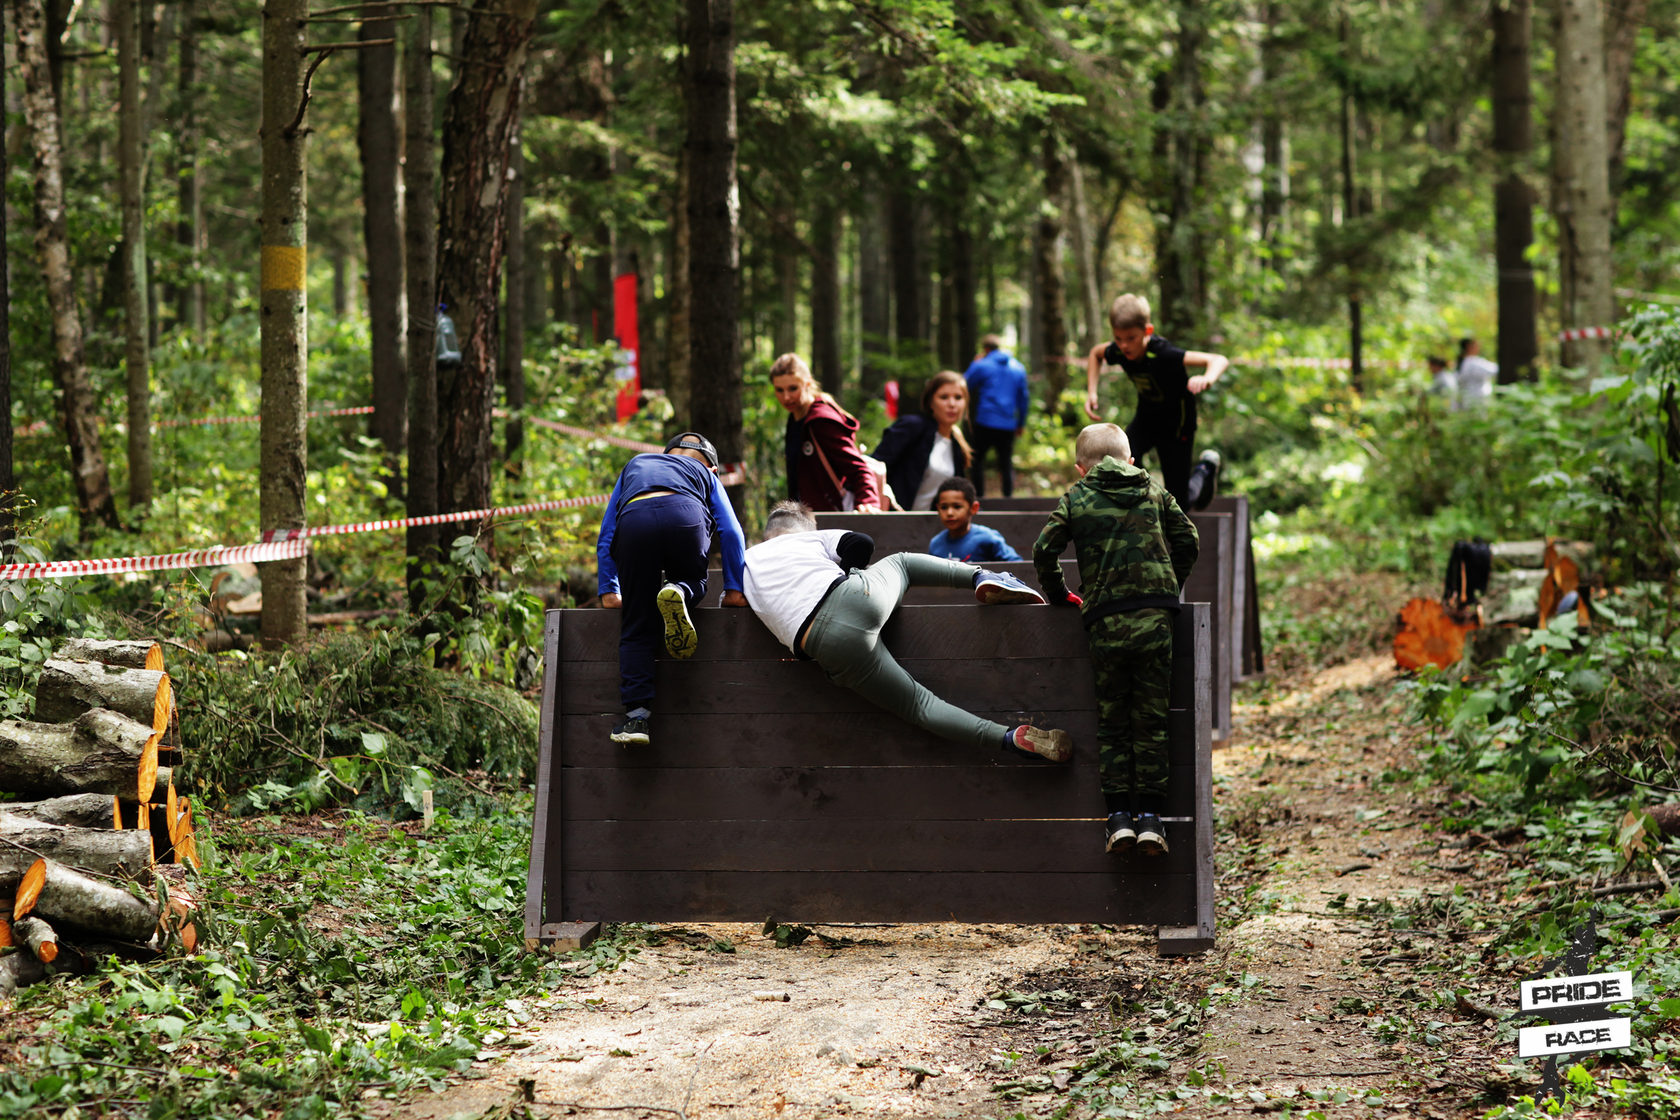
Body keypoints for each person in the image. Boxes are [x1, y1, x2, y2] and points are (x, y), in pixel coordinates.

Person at [743, 501, 1071, 760]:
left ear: (766, 536)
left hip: (823, 647)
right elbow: (862, 542)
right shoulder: (809, 537)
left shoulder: (745, 561)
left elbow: (734, 602)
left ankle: (1006, 738)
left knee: (918, 705)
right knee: (901, 563)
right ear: (802, 529)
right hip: (855, 600)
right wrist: (851, 574)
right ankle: (981, 576)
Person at [1033, 423, 1199, 857]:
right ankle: (1152, 820)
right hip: (1156, 620)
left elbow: (1043, 550)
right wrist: (1166, 587)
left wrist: (1059, 594)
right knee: (1151, 720)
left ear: (1079, 468)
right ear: (1131, 460)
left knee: (1113, 721)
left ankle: (1118, 819)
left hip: (1105, 620)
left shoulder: (1075, 497)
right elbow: (1189, 539)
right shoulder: (1154, 491)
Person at [597, 432, 749, 746]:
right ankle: (681, 590)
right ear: (713, 467)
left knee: (637, 622)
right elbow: (731, 531)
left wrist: (608, 589)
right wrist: (734, 589)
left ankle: (636, 717)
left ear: (668, 454)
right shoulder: (704, 474)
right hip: (685, 516)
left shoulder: (637, 464)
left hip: (635, 521)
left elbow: (607, 531)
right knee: (696, 581)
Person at [1082, 294, 1226, 511]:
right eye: (1118, 338)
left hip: (1177, 424)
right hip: (1147, 418)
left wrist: (1206, 378)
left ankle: (1205, 469)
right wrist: (1091, 392)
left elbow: (1218, 360)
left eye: (1131, 338)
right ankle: (1142, 502)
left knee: (1180, 504)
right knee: (1123, 459)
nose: (1124, 346)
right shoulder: (1119, 350)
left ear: (1147, 331)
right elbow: (1095, 353)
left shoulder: (1162, 353)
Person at [771, 353, 882, 513]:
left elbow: (858, 469)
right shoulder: (794, 418)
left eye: (793, 388)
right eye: (779, 390)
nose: (786, 397)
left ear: (807, 383)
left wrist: (868, 503)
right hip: (807, 519)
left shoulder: (820, 420)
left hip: (832, 517)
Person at [874, 371, 974, 512]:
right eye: (944, 397)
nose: (952, 404)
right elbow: (875, 467)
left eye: (958, 397)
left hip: (929, 527)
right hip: (893, 519)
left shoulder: (957, 445)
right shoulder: (912, 426)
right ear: (931, 402)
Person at [963, 335, 1030, 498]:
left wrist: (975, 363)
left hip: (985, 421)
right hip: (1008, 424)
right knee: (1006, 463)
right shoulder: (1018, 368)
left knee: (977, 460)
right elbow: (1024, 398)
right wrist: (1020, 423)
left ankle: (979, 498)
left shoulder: (982, 365)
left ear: (985, 349)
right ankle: (1008, 498)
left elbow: (964, 383)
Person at [928, 477, 1021, 563]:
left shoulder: (988, 538)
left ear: (974, 508)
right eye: (944, 507)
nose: (949, 513)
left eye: (957, 507)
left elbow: (1016, 565)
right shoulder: (936, 544)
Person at [1456, 337, 1497, 409]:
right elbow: (1494, 370)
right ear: (1469, 347)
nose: (1478, 347)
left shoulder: (1463, 362)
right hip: (1477, 399)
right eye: (1476, 345)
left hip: (1467, 400)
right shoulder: (1473, 362)